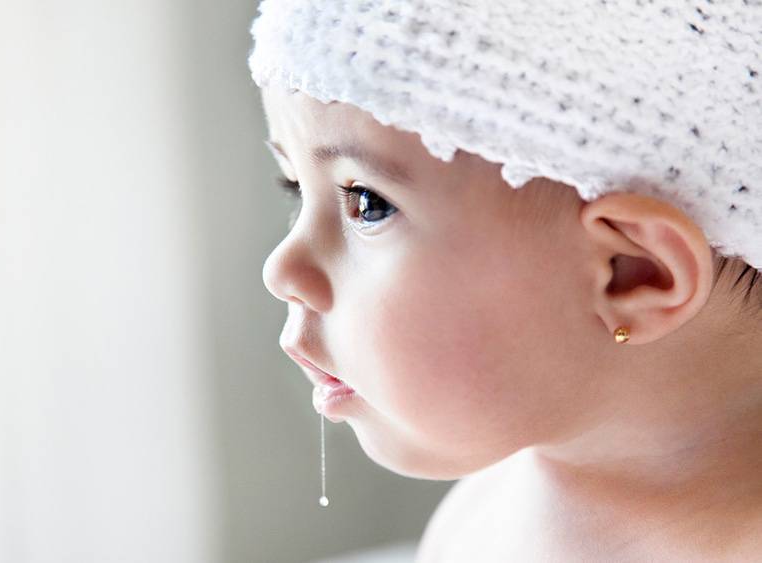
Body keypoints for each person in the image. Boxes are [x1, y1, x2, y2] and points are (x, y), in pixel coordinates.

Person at [248, 1, 762, 560]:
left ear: (631, 276)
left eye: (368, 203)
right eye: (294, 187)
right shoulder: (485, 514)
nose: (282, 269)